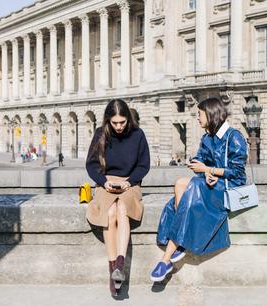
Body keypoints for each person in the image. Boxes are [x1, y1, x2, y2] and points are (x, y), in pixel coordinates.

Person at [150, 97, 248, 282]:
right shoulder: (207, 138)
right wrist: (207, 174)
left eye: (200, 114)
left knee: (185, 187)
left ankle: (167, 257)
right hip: (213, 184)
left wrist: (208, 171)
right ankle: (171, 254)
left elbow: (237, 173)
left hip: (230, 188)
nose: (197, 118)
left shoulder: (233, 137)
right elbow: (199, 164)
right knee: (183, 186)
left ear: (211, 115)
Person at [86, 99, 150, 297]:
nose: (119, 127)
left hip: (130, 183)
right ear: (108, 121)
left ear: (128, 119)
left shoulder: (138, 134)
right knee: (110, 212)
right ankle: (113, 269)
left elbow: (143, 165)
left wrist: (129, 182)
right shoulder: (100, 134)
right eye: (115, 123)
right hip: (106, 182)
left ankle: (120, 264)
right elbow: (91, 164)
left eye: (122, 122)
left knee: (122, 209)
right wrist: (103, 182)